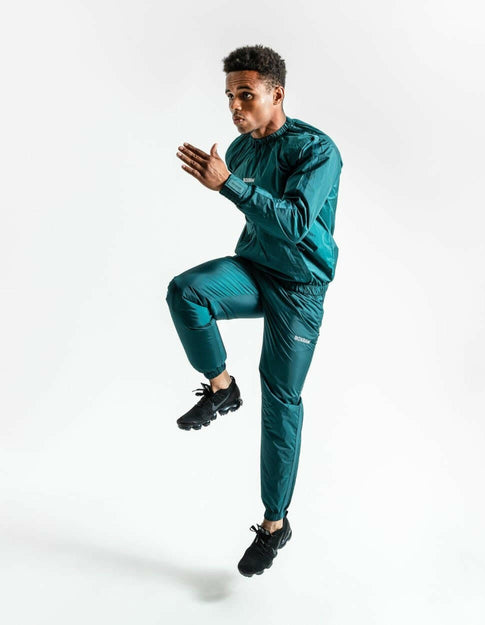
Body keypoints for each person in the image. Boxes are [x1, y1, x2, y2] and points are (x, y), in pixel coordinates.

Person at [166, 44, 343, 577]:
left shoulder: (317, 150)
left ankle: (274, 525)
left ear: (276, 93)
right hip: (254, 268)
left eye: (245, 94)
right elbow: (252, 209)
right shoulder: (241, 150)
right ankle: (222, 388)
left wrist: (230, 185)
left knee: (281, 400)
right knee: (186, 292)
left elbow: (293, 221)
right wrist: (229, 181)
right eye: (229, 96)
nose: (235, 106)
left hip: (300, 288)